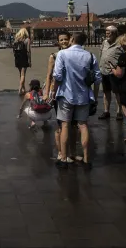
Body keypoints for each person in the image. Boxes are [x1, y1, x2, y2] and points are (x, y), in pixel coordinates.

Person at [52, 32, 101, 169]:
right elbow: (97, 79)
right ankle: (86, 158)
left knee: (65, 125)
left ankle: (63, 157)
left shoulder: (63, 54)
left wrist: (53, 93)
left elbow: (57, 76)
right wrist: (95, 98)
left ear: (72, 39)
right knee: (83, 125)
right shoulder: (90, 56)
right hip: (84, 96)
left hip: (66, 94)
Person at [45, 32, 78, 162]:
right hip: (58, 93)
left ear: (70, 40)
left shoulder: (74, 55)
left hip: (73, 92)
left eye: (66, 39)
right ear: (58, 42)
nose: (64, 41)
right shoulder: (53, 56)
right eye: (61, 40)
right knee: (61, 125)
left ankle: (72, 152)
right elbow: (49, 76)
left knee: (73, 125)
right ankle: (60, 152)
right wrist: (46, 93)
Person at [97, 26, 124, 121]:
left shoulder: (120, 44)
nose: (107, 35)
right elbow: (101, 53)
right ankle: (106, 111)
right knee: (106, 92)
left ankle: (119, 112)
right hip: (104, 71)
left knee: (117, 93)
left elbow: (124, 56)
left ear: (115, 34)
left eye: (109, 33)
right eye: (106, 33)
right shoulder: (104, 42)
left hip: (114, 72)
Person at [13, 28, 31, 96]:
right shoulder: (27, 40)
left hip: (17, 58)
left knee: (21, 74)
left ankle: (23, 89)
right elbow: (28, 51)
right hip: (24, 58)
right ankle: (20, 89)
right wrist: (30, 61)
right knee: (23, 74)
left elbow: (14, 51)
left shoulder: (16, 40)